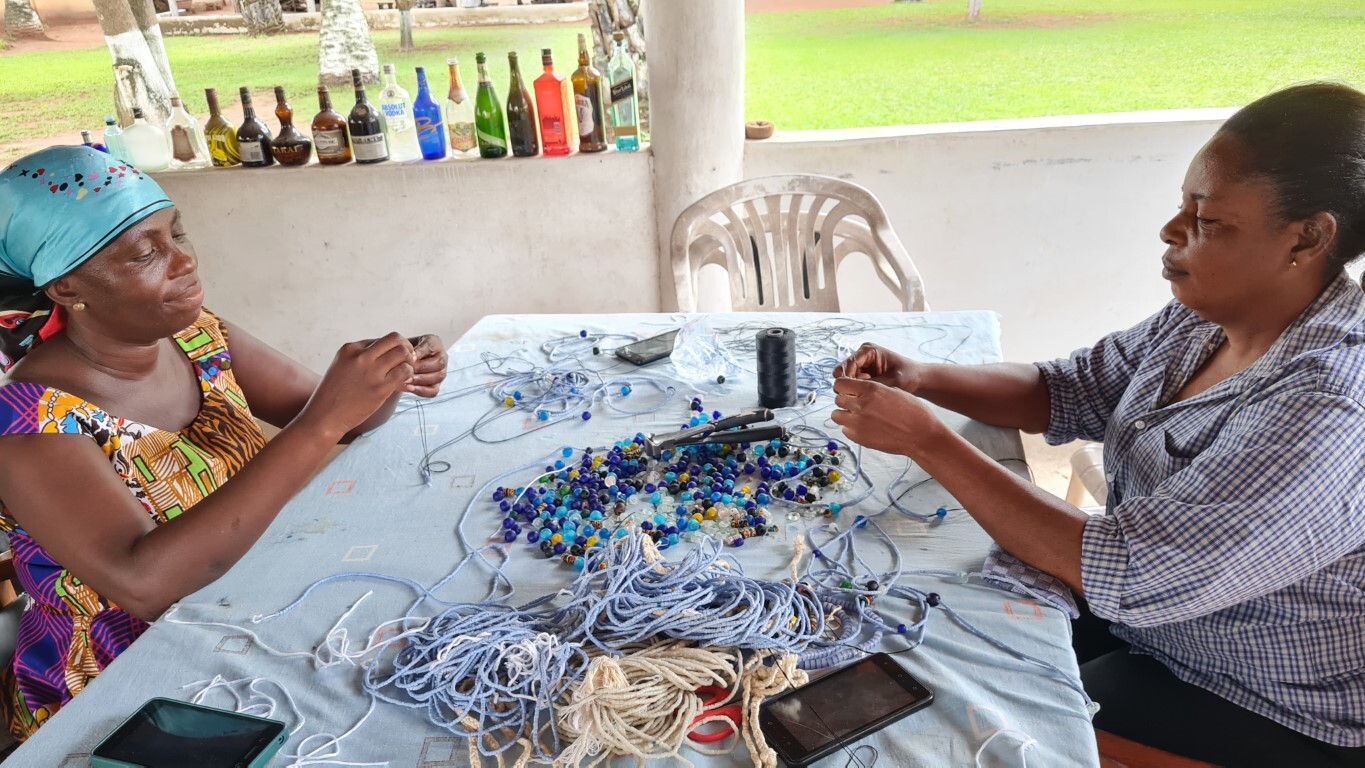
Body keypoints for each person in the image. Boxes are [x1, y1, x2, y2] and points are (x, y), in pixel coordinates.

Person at [831, 83, 1365, 766]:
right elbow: (1067, 389)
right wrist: (923, 378)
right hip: (1151, 624)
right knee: (937, 626)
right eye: (1181, 207)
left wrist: (926, 440)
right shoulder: (1203, 319)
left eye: (1208, 222)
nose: (1171, 232)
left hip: (1266, 698)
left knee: (983, 723)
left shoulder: (1328, 410)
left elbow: (1133, 571)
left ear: (1308, 237)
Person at [0, 146, 448, 742]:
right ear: (65, 288)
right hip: (125, 688)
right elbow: (143, 584)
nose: (184, 261)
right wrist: (323, 424)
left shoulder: (198, 336)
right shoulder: (27, 423)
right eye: (145, 253)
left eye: (176, 232)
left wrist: (386, 374)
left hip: (243, 611)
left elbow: (339, 415)